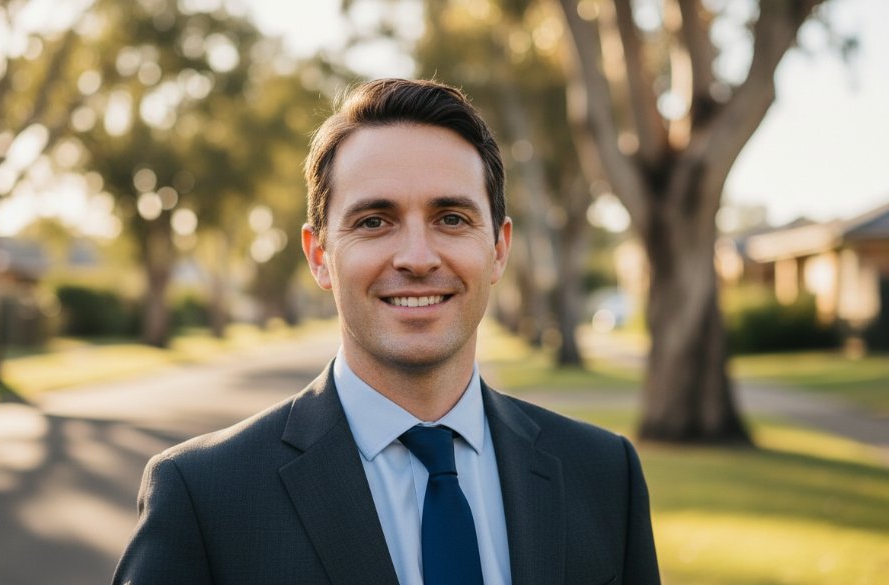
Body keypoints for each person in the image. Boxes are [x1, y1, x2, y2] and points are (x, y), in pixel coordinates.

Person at [112, 78, 661, 585]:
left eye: (451, 218)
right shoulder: (204, 496)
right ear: (320, 255)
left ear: (498, 249)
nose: (417, 258)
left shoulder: (604, 475)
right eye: (375, 221)